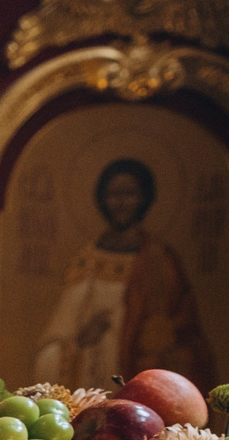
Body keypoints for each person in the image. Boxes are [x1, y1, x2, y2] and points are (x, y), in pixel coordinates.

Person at [31, 157, 216, 389]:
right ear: (102, 198)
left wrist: (159, 345)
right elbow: (49, 350)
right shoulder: (85, 262)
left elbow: (188, 336)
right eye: (113, 194)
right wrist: (78, 342)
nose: (120, 203)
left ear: (144, 198)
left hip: (142, 381)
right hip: (90, 380)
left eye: (129, 194)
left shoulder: (161, 262)